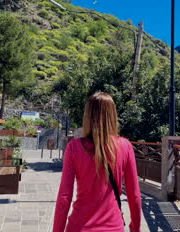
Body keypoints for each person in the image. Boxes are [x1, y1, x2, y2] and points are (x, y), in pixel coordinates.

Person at [53, 92, 142, 232]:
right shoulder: (125, 146)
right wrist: (135, 228)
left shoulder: (74, 147)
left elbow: (64, 196)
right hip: (113, 227)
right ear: (112, 115)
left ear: (87, 116)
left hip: (79, 227)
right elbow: (135, 196)